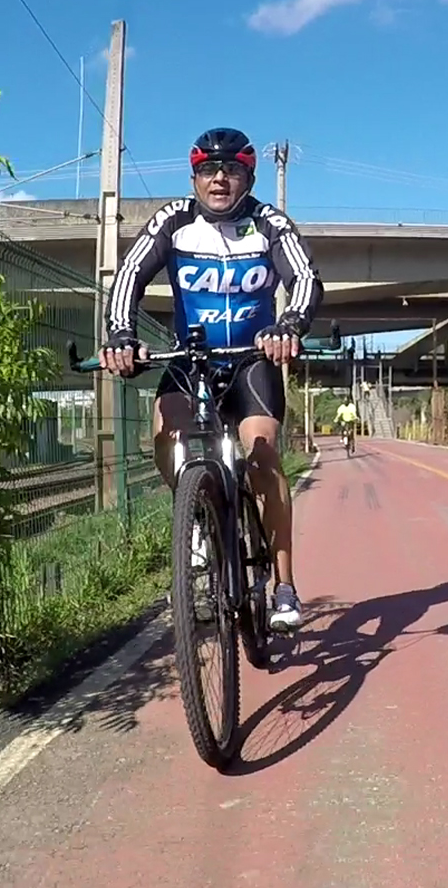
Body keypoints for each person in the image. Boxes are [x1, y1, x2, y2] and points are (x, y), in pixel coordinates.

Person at [100, 127, 322, 633]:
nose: (220, 179)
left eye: (233, 170)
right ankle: (198, 514)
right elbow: (129, 276)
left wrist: (289, 325)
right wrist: (120, 335)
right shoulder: (174, 221)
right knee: (165, 435)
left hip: (250, 361)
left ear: (249, 178)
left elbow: (305, 279)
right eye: (208, 170)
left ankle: (284, 585)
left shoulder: (269, 223)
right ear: (194, 178)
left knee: (262, 454)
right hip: (192, 358)